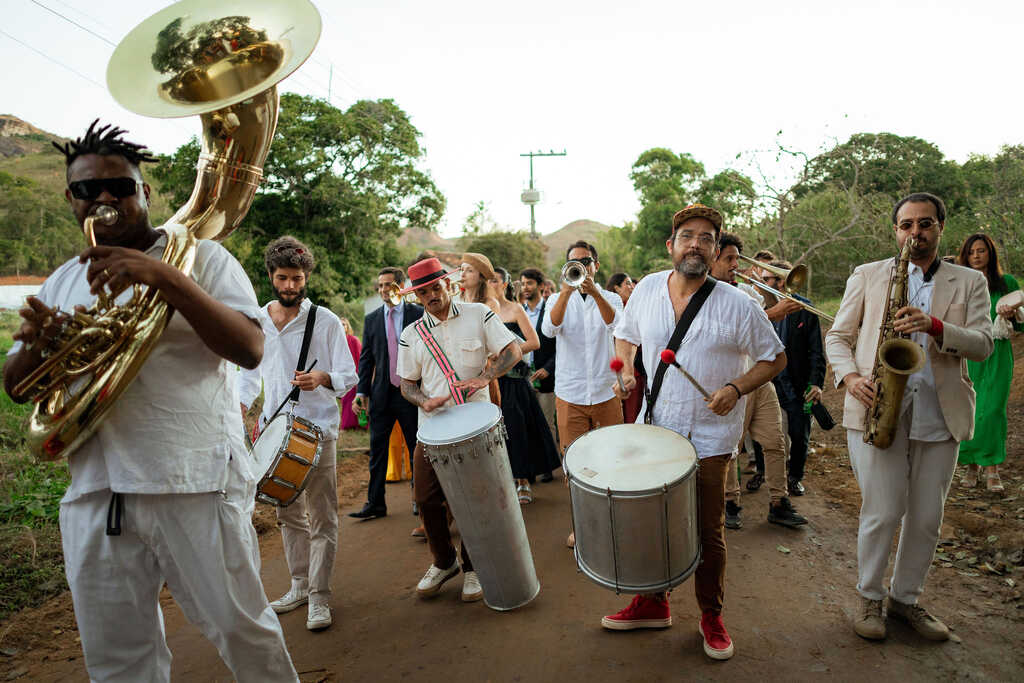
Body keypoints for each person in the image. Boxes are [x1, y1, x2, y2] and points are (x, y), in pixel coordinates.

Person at [2, 120, 298, 680]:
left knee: (243, 632)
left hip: (190, 481)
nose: (106, 197)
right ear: (72, 199)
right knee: (117, 660)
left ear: (145, 193)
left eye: (121, 186)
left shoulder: (202, 258)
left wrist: (166, 280)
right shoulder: (62, 280)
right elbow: (20, 389)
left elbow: (251, 349)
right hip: (95, 492)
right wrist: (35, 350)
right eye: (90, 189)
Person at [609, 204, 786, 661]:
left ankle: (711, 614)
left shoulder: (739, 305)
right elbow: (625, 334)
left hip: (710, 436)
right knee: (654, 524)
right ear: (671, 245)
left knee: (707, 531)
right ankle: (654, 601)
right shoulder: (647, 288)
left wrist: (736, 387)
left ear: (715, 249)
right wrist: (627, 365)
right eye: (687, 235)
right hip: (656, 429)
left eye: (706, 238)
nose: (696, 244)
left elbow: (775, 357)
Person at [825, 192, 992, 642]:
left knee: (925, 519)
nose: (914, 233)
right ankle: (870, 598)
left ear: (940, 227)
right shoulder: (868, 275)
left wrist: (935, 327)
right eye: (906, 225)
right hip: (878, 408)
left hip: (941, 413)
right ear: (895, 230)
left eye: (924, 224)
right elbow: (838, 337)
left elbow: (983, 344)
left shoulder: (969, 281)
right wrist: (852, 378)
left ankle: (906, 601)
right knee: (881, 512)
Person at [239, 236, 358, 632]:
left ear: (306, 278)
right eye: (283, 278)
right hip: (275, 433)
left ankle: (321, 597)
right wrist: (239, 411)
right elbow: (248, 376)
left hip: (318, 430)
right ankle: (300, 585)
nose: (290, 285)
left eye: (297, 278)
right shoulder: (258, 320)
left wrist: (323, 377)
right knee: (288, 515)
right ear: (271, 276)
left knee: (322, 517)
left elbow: (348, 374)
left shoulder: (324, 320)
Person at [395, 258, 522, 602]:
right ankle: (444, 561)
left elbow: (513, 350)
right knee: (426, 497)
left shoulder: (479, 315)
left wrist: (487, 377)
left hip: (477, 422)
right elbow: (406, 384)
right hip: (433, 428)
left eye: (436, 287)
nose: (432, 295)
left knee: (476, 499)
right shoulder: (411, 335)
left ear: (448, 285)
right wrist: (422, 401)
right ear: (417, 296)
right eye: (424, 291)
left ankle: (473, 566)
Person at [710, 233, 807, 529]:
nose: (736, 265)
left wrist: (775, 288)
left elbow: (764, 334)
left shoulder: (748, 293)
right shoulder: (707, 296)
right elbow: (729, 335)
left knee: (776, 443)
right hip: (733, 383)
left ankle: (779, 502)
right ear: (712, 260)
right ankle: (730, 502)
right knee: (730, 448)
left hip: (761, 380)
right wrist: (773, 313)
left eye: (738, 258)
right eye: (729, 259)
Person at [542, 240, 625, 547]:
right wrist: (566, 290)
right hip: (570, 392)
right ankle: (583, 525)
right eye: (574, 262)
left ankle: (613, 520)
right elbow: (549, 330)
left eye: (586, 261)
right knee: (575, 463)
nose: (581, 266)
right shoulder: (555, 297)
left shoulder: (613, 298)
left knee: (612, 458)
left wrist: (594, 292)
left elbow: (616, 324)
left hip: (606, 391)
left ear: (596, 266)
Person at [351, 267, 422, 520]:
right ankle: (375, 503)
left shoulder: (418, 313)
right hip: (381, 394)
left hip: (411, 392)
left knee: (417, 449)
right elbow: (366, 359)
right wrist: (362, 391)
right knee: (377, 450)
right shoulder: (371, 320)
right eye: (380, 285)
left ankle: (420, 500)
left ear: (401, 286)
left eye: (388, 285)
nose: (383, 290)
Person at [489, 267, 561, 503]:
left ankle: (523, 481)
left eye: (494, 280)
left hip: (514, 380)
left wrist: (508, 354)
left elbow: (534, 342)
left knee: (516, 429)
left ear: (504, 284)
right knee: (493, 434)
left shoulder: (515, 308)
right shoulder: (481, 311)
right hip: (489, 380)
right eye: (487, 280)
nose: (490, 284)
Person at [956, 233, 1021, 492]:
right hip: (969, 353)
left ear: (990, 254)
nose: (976, 256)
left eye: (981, 251)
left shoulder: (1006, 283)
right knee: (970, 409)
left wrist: (1013, 311)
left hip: (998, 353)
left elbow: (1021, 323)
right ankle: (972, 465)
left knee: (993, 410)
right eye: (971, 252)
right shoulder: (963, 284)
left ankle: (992, 468)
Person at [762, 259, 826, 497]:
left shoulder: (805, 309)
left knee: (800, 435)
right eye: (769, 279)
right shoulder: (759, 308)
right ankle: (764, 473)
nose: (775, 284)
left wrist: (817, 383)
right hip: (768, 382)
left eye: (779, 279)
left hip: (797, 384)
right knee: (767, 435)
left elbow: (816, 351)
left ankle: (795, 477)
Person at [520, 267, 558, 472]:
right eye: (523, 284)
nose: (526, 287)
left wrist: (548, 369)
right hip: (523, 377)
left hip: (546, 377)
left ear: (541, 286)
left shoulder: (551, 311)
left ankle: (549, 466)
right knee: (528, 423)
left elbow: (561, 346)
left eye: (530, 283)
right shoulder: (519, 312)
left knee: (547, 423)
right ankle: (532, 466)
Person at [607, 272, 646, 424]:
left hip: (637, 368)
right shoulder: (615, 309)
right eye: (627, 284)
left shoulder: (636, 305)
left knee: (635, 412)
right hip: (624, 369)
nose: (632, 287)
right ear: (616, 288)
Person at [339, 317, 364, 430]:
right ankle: (348, 424)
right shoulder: (337, 341)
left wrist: (361, 375)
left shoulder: (354, 340)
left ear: (348, 326)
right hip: (343, 375)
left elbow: (361, 358)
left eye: (344, 324)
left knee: (358, 399)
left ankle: (361, 424)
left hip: (356, 374)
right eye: (340, 324)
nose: (342, 326)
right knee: (346, 399)